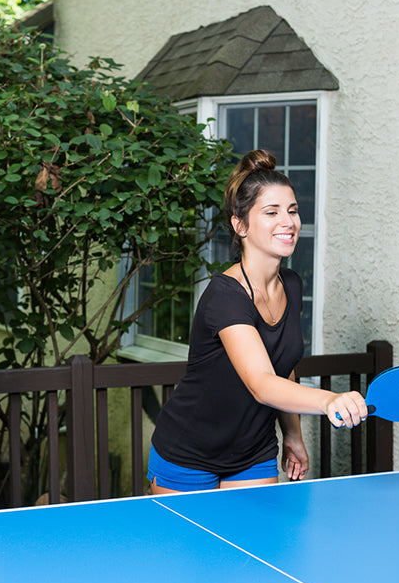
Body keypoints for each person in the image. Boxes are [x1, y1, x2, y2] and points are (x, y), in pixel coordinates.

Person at [148, 149, 368, 494]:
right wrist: (328, 401)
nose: (289, 221)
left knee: (253, 543)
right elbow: (262, 384)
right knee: (190, 549)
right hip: (188, 451)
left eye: (292, 211)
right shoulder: (225, 296)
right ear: (240, 225)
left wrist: (293, 435)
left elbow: (282, 366)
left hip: (253, 451)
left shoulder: (292, 285)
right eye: (272, 212)